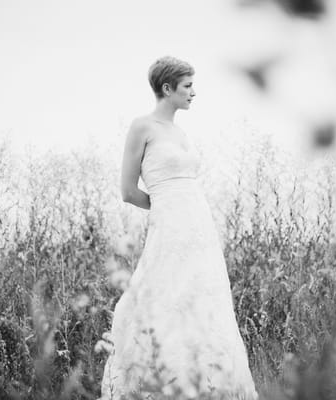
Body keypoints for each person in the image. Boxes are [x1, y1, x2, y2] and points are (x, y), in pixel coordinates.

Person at [99, 56, 258, 400]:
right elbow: (128, 191)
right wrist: (165, 209)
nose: (193, 93)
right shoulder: (142, 127)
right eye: (187, 86)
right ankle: (156, 384)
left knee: (204, 301)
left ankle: (209, 387)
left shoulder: (180, 132)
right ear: (167, 88)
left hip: (200, 229)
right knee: (166, 297)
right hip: (169, 227)